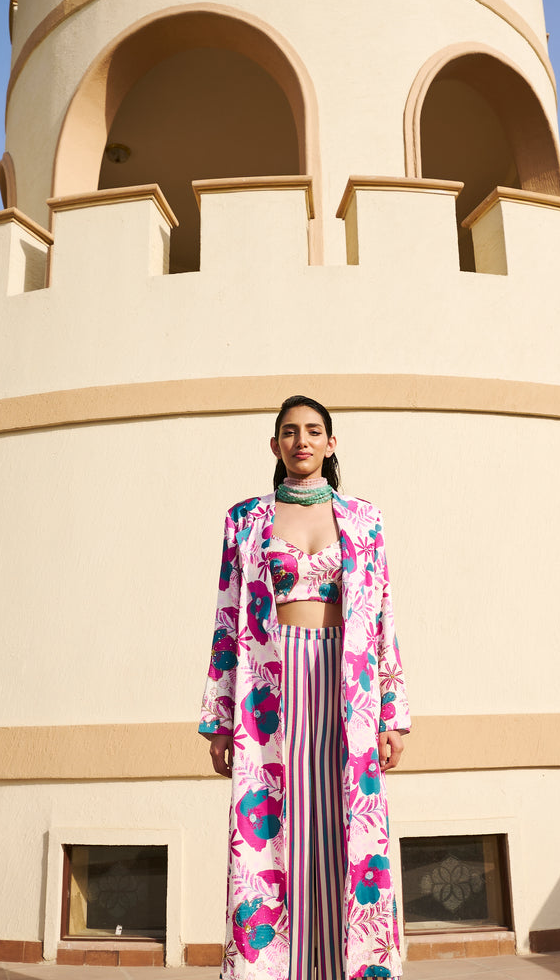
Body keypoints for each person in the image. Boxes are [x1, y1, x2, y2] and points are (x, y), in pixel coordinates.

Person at [199, 395, 410, 980]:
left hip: (346, 690)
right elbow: (225, 618)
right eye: (289, 432)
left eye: (314, 431)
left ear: (331, 443)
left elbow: (384, 616)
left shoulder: (365, 519)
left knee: (340, 828)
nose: (302, 441)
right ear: (275, 446)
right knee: (273, 831)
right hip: (268, 689)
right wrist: (218, 721)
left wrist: (391, 713)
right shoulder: (245, 520)